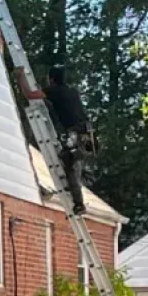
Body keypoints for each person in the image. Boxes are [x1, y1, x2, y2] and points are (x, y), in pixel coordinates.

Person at [44, 65, 92, 216]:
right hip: (88, 133)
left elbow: (31, 94)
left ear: (51, 79)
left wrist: (20, 77)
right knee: (73, 162)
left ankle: (79, 203)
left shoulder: (54, 90)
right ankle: (77, 195)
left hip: (76, 132)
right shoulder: (72, 91)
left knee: (69, 162)